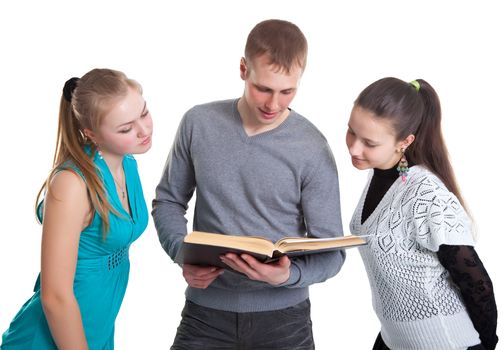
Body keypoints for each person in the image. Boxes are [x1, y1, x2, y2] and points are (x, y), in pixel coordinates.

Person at [152, 19, 344, 349]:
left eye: (287, 91)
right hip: (205, 313)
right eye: (264, 89)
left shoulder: (313, 147)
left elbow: (333, 252)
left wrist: (287, 276)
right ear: (243, 69)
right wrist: (182, 254)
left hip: (286, 321)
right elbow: (168, 201)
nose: (274, 104)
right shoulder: (198, 123)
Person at [1, 68, 153, 349]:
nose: (144, 131)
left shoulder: (127, 163)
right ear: (91, 134)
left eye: (143, 113)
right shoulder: (71, 184)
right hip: (52, 339)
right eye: (126, 128)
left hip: (97, 330)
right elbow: (55, 296)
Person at [346, 77, 498, 350]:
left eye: (369, 142)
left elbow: (478, 285)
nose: (354, 148)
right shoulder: (381, 175)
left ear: (404, 142)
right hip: (394, 341)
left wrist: (487, 345)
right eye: (351, 132)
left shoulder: (426, 195)